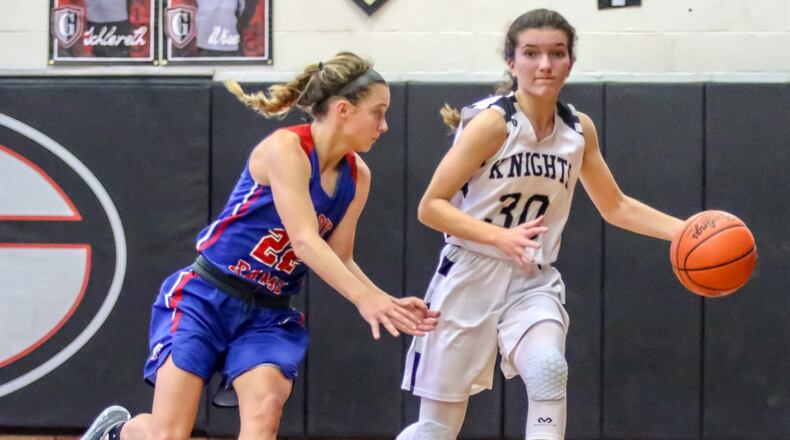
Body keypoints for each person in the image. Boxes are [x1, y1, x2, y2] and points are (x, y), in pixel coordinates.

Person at [81, 51, 439, 440]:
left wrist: (382, 299)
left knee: (265, 411)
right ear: (343, 110)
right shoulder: (286, 149)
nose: (384, 126)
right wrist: (364, 300)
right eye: (378, 113)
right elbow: (304, 241)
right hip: (207, 297)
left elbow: (339, 256)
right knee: (167, 434)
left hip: (268, 313)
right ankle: (118, 433)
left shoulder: (358, 177)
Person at [396, 9, 685, 440]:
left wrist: (684, 231)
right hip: (468, 276)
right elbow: (431, 207)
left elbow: (616, 205)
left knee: (548, 367)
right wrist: (501, 236)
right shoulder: (493, 124)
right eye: (531, 53)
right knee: (434, 431)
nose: (545, 64)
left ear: (571, 62)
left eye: (557, 53)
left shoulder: (578, 130)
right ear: (512, 63)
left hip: (531, 279)